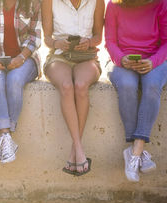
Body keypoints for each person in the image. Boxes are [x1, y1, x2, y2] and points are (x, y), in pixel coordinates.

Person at [105, 0, 167, 182]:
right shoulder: (114, 5)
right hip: (122, 61)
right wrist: (122, 59)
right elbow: (109, 41)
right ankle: (137, 152)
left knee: (153, 86)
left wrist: (153, 62)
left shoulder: (161, 3)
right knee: (126, 85)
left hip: (154, 59)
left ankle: (136, 149)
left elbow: (166, 42)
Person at [41, 0, 104, 175]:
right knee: (67, 86)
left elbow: (99, 37)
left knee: (81, 85)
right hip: (59, 57)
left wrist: (89, 42)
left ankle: (74, 151)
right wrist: (56, 43)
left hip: (87, 57)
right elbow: (46, 38)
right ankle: (78, 148)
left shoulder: (97, 1)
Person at [0, 0, 41, 163]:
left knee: (14, 79)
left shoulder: (33, 3)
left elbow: (35, 37)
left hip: (25, 59)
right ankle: (6, 136)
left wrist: (21, 57)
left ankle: (4, 139)